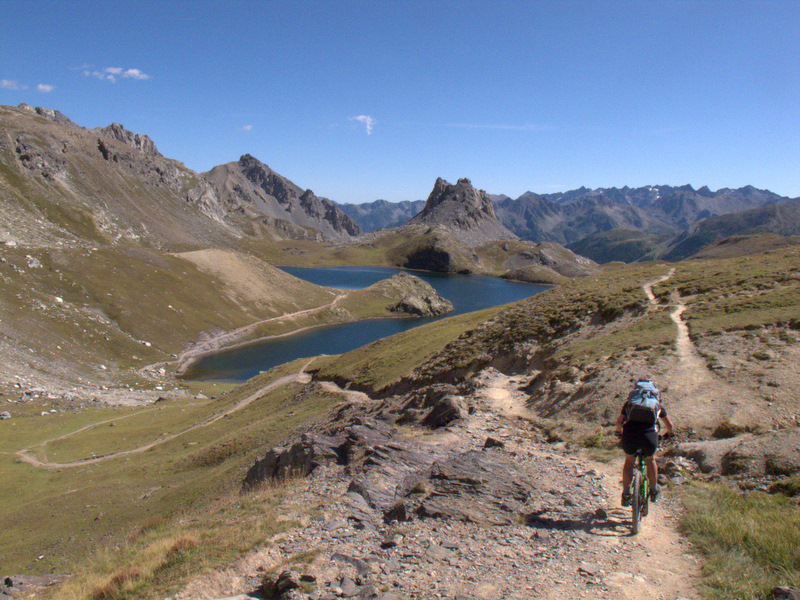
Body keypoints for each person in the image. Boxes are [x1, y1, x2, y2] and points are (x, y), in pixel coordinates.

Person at [615, 376, 674, 506]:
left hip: (630, 434)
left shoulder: (630, 402)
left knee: (629, 461)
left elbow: (620, 422)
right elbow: (670, 425)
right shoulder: (656, 404)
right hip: (649, 436)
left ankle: (625, 494)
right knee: (650, 459)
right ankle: (653, 490)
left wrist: (618, 432)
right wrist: (670, 434)